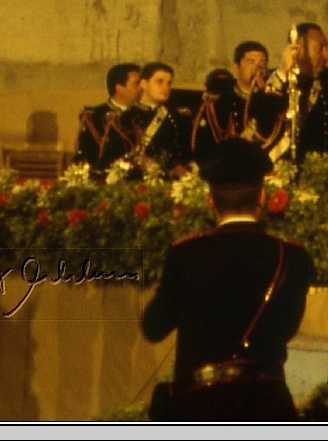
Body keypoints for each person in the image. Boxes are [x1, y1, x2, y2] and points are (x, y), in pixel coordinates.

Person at [143, 139, 313, 421]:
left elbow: (153, 327)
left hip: (200, 407)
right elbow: (287, 328)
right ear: (261, 197)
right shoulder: (290, 255)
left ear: (210, 200)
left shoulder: (186, 254)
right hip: (266, 406)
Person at [266, 23, 328, 169]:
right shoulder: (278, 83)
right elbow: (264, 115)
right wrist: (283, 71)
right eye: (321, 48)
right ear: (298, 50)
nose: (327, 55)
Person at [191, 43, 286, 162]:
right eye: (251, 62)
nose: (258, 69)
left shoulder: (273, 102)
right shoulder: (219, 102)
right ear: (236, 68)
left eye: (262, 63)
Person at [123, 62, 192, 177]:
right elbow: (117, 154)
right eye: (159, 81)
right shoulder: (127, 117)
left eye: (169, 83)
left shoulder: (177, 117)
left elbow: (184, 152)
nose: (166, 87)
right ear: (144, 84)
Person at [73, 63, 142, 173]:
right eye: (136, 84)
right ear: (119, 88)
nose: (141, 88)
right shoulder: (95, 116)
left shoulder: (142, 114)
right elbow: (88, 155)